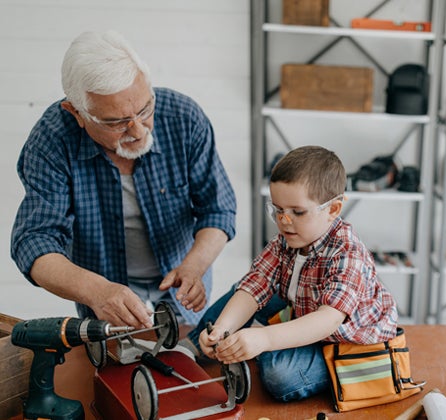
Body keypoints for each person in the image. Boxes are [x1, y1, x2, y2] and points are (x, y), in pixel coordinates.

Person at [10, 30, 236, 329]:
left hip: (183, 281)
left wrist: (195, 266)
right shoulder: (52, 141)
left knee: (185, 360)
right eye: (116, 122)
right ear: (77, 112)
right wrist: (96, 291)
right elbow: (34, 241)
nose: (139, 130)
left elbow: (218, 210)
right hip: (105, 289)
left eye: (145, 110)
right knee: (113, 370)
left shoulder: (184, 117)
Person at [197, 145, 399, 401]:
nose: (284, 221)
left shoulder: (348, 253)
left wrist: (266, 339)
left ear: (333, 210)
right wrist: (222, 329)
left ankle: (267, 343)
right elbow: (255, 285)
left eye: (297, 212)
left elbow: (328, 320)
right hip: (304, 307)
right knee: (242, 290)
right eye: (278, 210)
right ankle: (201, 342)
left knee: (279, 376)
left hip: (345, 339)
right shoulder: (286, 239)